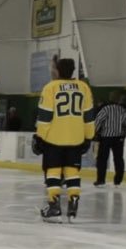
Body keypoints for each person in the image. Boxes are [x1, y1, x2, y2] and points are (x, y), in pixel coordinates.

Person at [33, 58, 95, 223]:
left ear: (58, 71)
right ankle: (73, 203)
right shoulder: (84, 88)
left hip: (54, 138)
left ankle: (54, 207)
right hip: (75, 138)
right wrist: (88, 136)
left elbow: (45, 116)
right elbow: (88, 116)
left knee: (53, 171)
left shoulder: (51, 87)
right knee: (72, 172)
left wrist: (40, 136)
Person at [93, 91, 126, 187]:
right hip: (118, 138)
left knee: (102, 159)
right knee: (118, 159)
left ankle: (101, 180)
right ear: (118, 99)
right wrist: (124, 134)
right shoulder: (122, 110)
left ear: (110, 98)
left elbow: (97, 122)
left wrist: (96, 133)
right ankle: (118, 180)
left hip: (105, 137)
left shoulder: (105, 109)